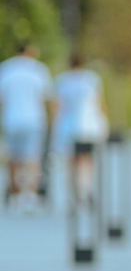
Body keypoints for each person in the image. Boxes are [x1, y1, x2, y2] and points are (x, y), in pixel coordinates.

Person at [1, 40, 55, 211]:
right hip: (34, 120)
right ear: (30, 51)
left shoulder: (6, 69)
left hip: (12, 120)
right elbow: (47, 98)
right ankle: (29, 194)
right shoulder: (38, 69)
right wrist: (53, 120)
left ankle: (15, 194)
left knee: (14, 158)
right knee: (33, 159)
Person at [53, 52, 109, 205]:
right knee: (88, 160)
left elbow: (58, 106)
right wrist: (104, 124)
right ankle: (87, 187)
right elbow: (99, 103)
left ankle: (75, 191)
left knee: (71, 161)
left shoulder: (62, 80)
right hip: (88, 126)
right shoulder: (91, 79)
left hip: (68, 125)